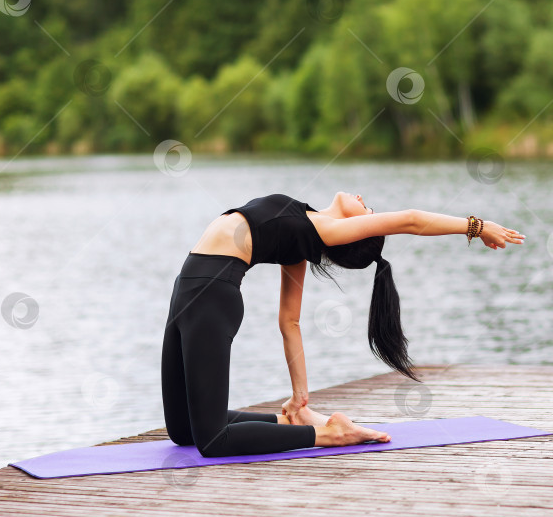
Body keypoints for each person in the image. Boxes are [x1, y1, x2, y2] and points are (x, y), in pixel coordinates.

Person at [161, 191, 525, 458]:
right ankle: (291, 422)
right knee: (182, 431)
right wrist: (300, 398)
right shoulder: (302, 236)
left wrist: (476, 227)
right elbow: (289, 322)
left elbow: (411, 220)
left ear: (356, 230)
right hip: (186, 290)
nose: (366, 201)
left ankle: (329, 435)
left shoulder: (328, 231)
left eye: (368, 212)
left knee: (212, 442)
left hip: (211, 297)